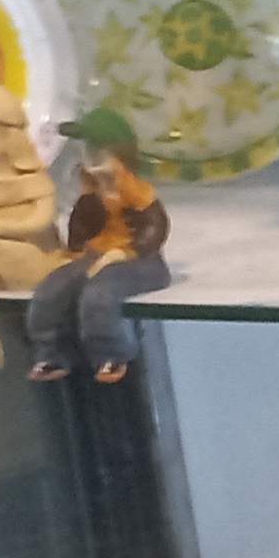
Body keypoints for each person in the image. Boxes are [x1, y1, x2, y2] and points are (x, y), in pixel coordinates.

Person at [27, 108, 163, 385]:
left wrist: (126, 252)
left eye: (97, 149)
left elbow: (155, 226)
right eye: (87, 149)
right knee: (52, 288)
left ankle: (111, 354)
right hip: (97, 252)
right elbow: (81, 224)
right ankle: (51, 354)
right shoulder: (91, 191)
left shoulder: (137, 191)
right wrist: (74, 253)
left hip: (137, 257)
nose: (88, 155)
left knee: (99, 294)